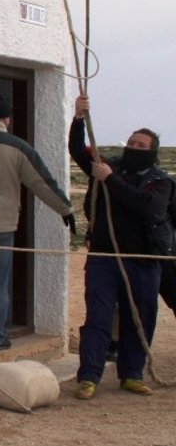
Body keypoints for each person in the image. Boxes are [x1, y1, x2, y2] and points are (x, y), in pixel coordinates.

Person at [68, 93, 170, 400]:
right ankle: (89, 377)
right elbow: (78, 150)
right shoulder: (107, 166)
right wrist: (78, 118)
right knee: (98, 316)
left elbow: (146, 206)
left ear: (152, 152)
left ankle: (131, 374)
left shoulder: (161, 181)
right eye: (132, 142)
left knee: (139, 318)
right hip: (104, 256)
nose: (134, 147)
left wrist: (110, 180)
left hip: (143, 259)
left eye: (141, 145)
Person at [0, 94, 75, 351]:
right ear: (7, 119)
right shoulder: (18, 147)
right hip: (2, 226)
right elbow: (42, 183)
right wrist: (65, 210)